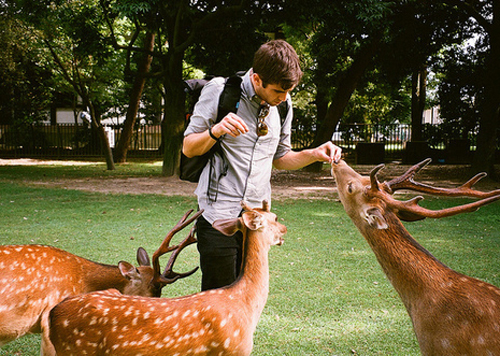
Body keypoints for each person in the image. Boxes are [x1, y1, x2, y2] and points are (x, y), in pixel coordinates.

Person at [182, 39, 342, 291]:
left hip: (257, 222)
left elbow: (280, 159)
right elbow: (189, 147)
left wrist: (314, 153)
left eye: (289, 91)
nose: (284, 97)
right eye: (279, 91)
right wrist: (216, 131)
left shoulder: (283, 106)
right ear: (257, 80)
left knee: (248, 299)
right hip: (218, 216)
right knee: (218, 303)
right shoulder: (219, 91)